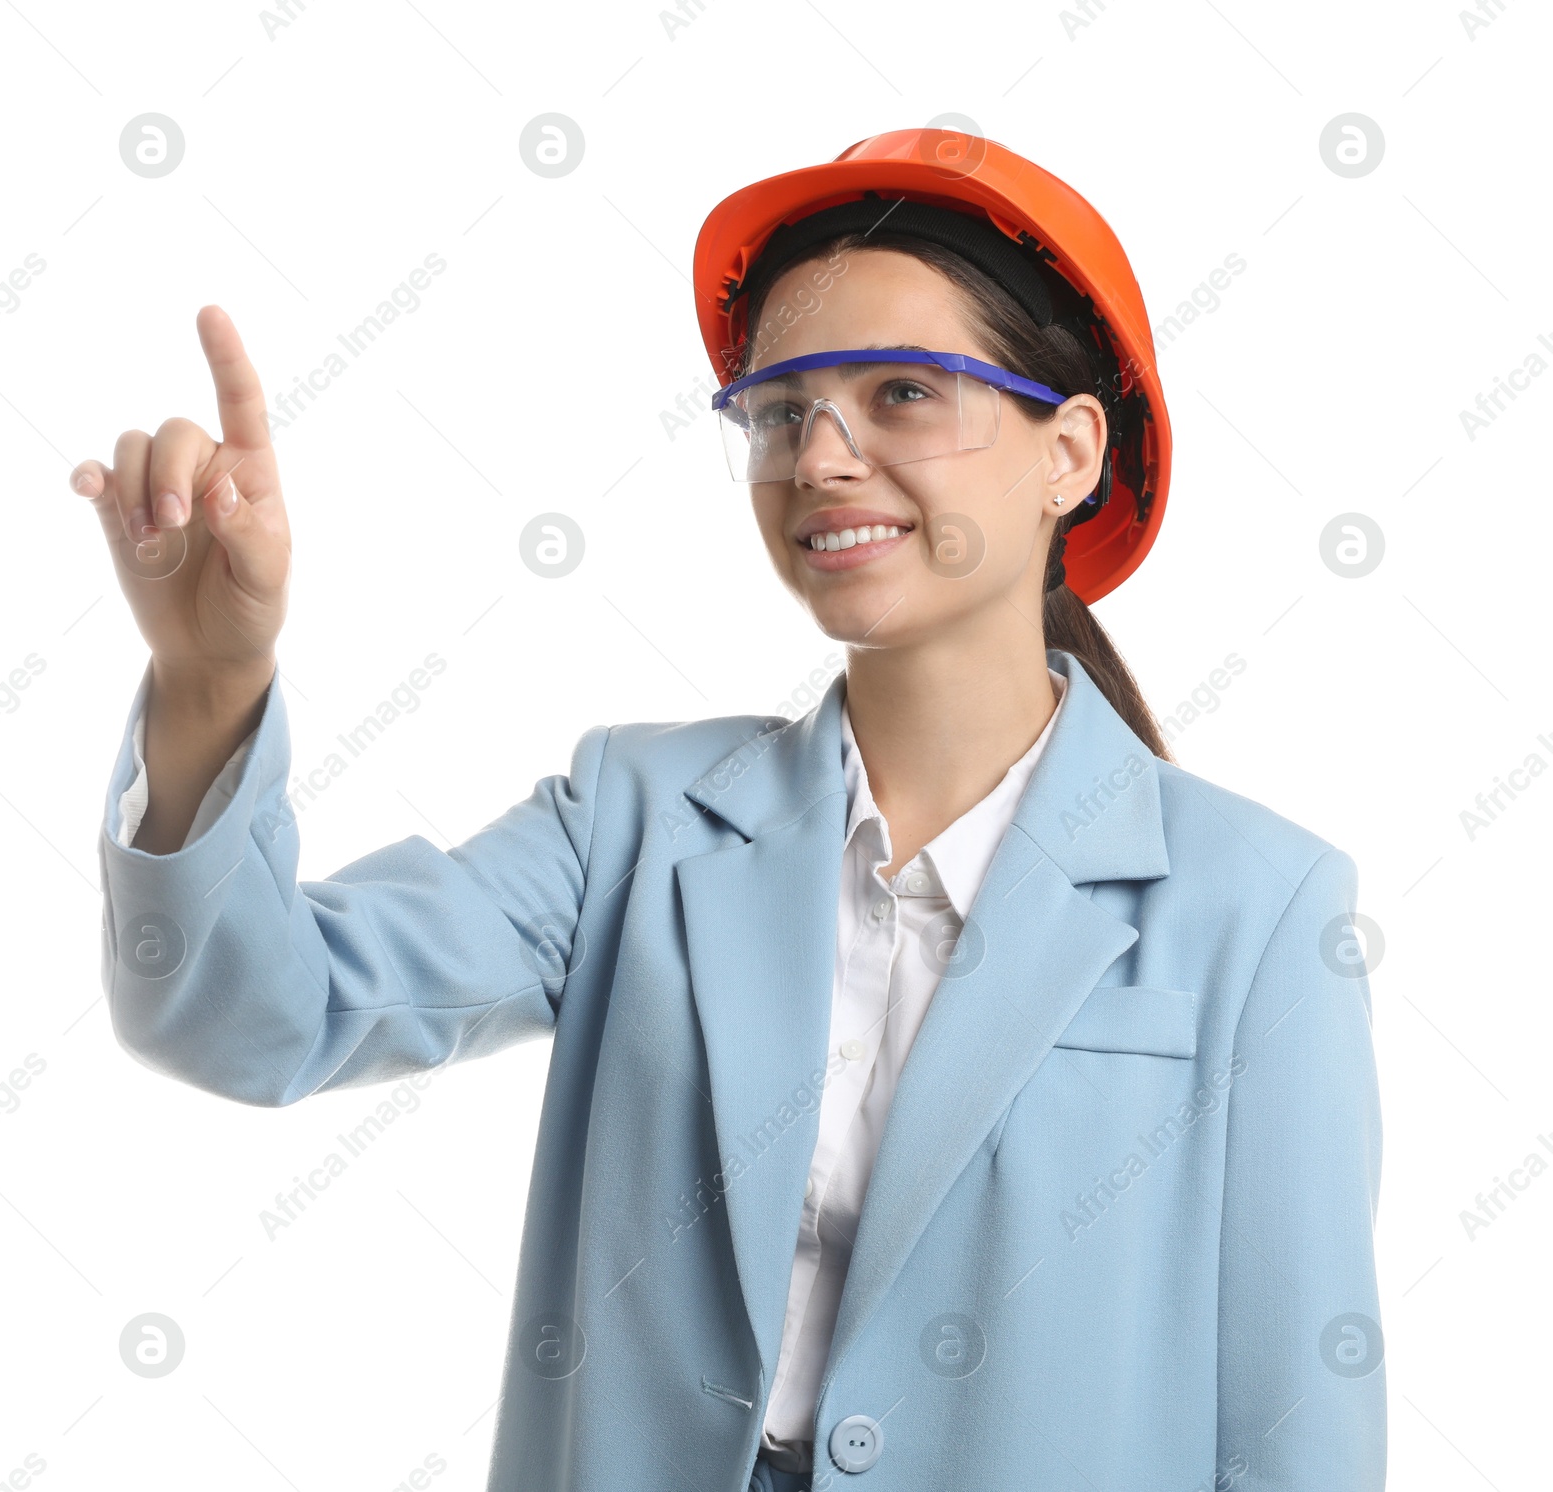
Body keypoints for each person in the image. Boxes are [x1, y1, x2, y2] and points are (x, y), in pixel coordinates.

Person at [77, 129, 1385, 1491]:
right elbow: (240, 1016)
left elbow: (1299, 1435)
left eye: (901, 393)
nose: (820, 459)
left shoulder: (1261, 908)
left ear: (1068, 452)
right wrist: (208, 680)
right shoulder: (638, 824)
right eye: (779, 410)